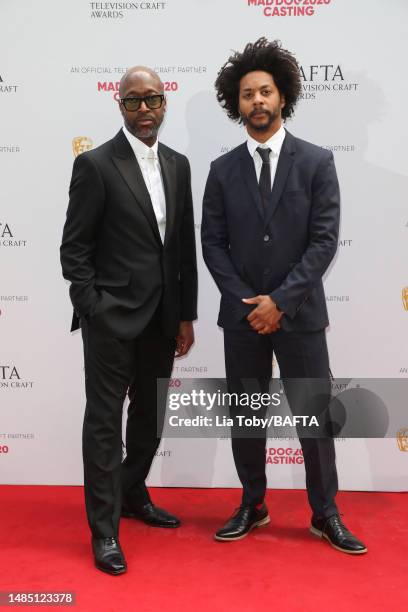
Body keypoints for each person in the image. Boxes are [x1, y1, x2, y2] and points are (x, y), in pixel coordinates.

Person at [201, 38, 366, 554]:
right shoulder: (222, 169)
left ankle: (325, 513)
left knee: (314, 419)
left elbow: (323, 241)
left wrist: (283, 300)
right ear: (236, 102)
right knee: (247, 416)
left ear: (283, 96)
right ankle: (253, 503)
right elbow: (212, 243)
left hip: (300, 317)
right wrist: (251, 302)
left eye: (265, 91)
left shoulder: (317, 162)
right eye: (247, 93)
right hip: (243, 318)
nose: (257, 101)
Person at [60, 66, 197, 574]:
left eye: (153, 100)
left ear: (165, 104)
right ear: (119, 105)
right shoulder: (95, 165)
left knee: (148, 417)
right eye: (133, 101)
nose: (144, 110)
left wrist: (186, 316)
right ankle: (104, 531)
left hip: (163, 319)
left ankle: (133, 493)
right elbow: (74, 249)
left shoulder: (179, 165)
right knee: (104, 424)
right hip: (111, 319)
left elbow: (182, 248)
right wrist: (93, 308)